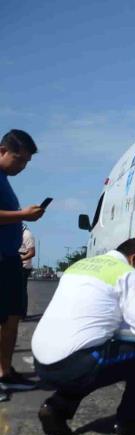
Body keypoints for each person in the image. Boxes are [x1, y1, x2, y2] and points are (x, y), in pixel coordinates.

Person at [31, 239, 135, 435]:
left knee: (96, 354)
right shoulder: (129, 273)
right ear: (134, 259)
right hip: (73, 365)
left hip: (41, 363)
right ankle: (130, 421)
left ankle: (56, 408)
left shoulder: (79, 265)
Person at [0, 129, 45, 395]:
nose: (22, 166)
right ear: (2, 150)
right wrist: (22, 214)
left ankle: (5, 371)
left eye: (26, 162)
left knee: (12, 316)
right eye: (18, 159)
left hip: (9, 259)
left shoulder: (4, 178)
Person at [19, 224, 35, 318]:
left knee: (21, 290)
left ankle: (22, 314)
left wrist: (19, 260)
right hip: (16, 265)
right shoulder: (16, 234)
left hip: (24, 267)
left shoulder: (27, 235)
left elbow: (32, 252)